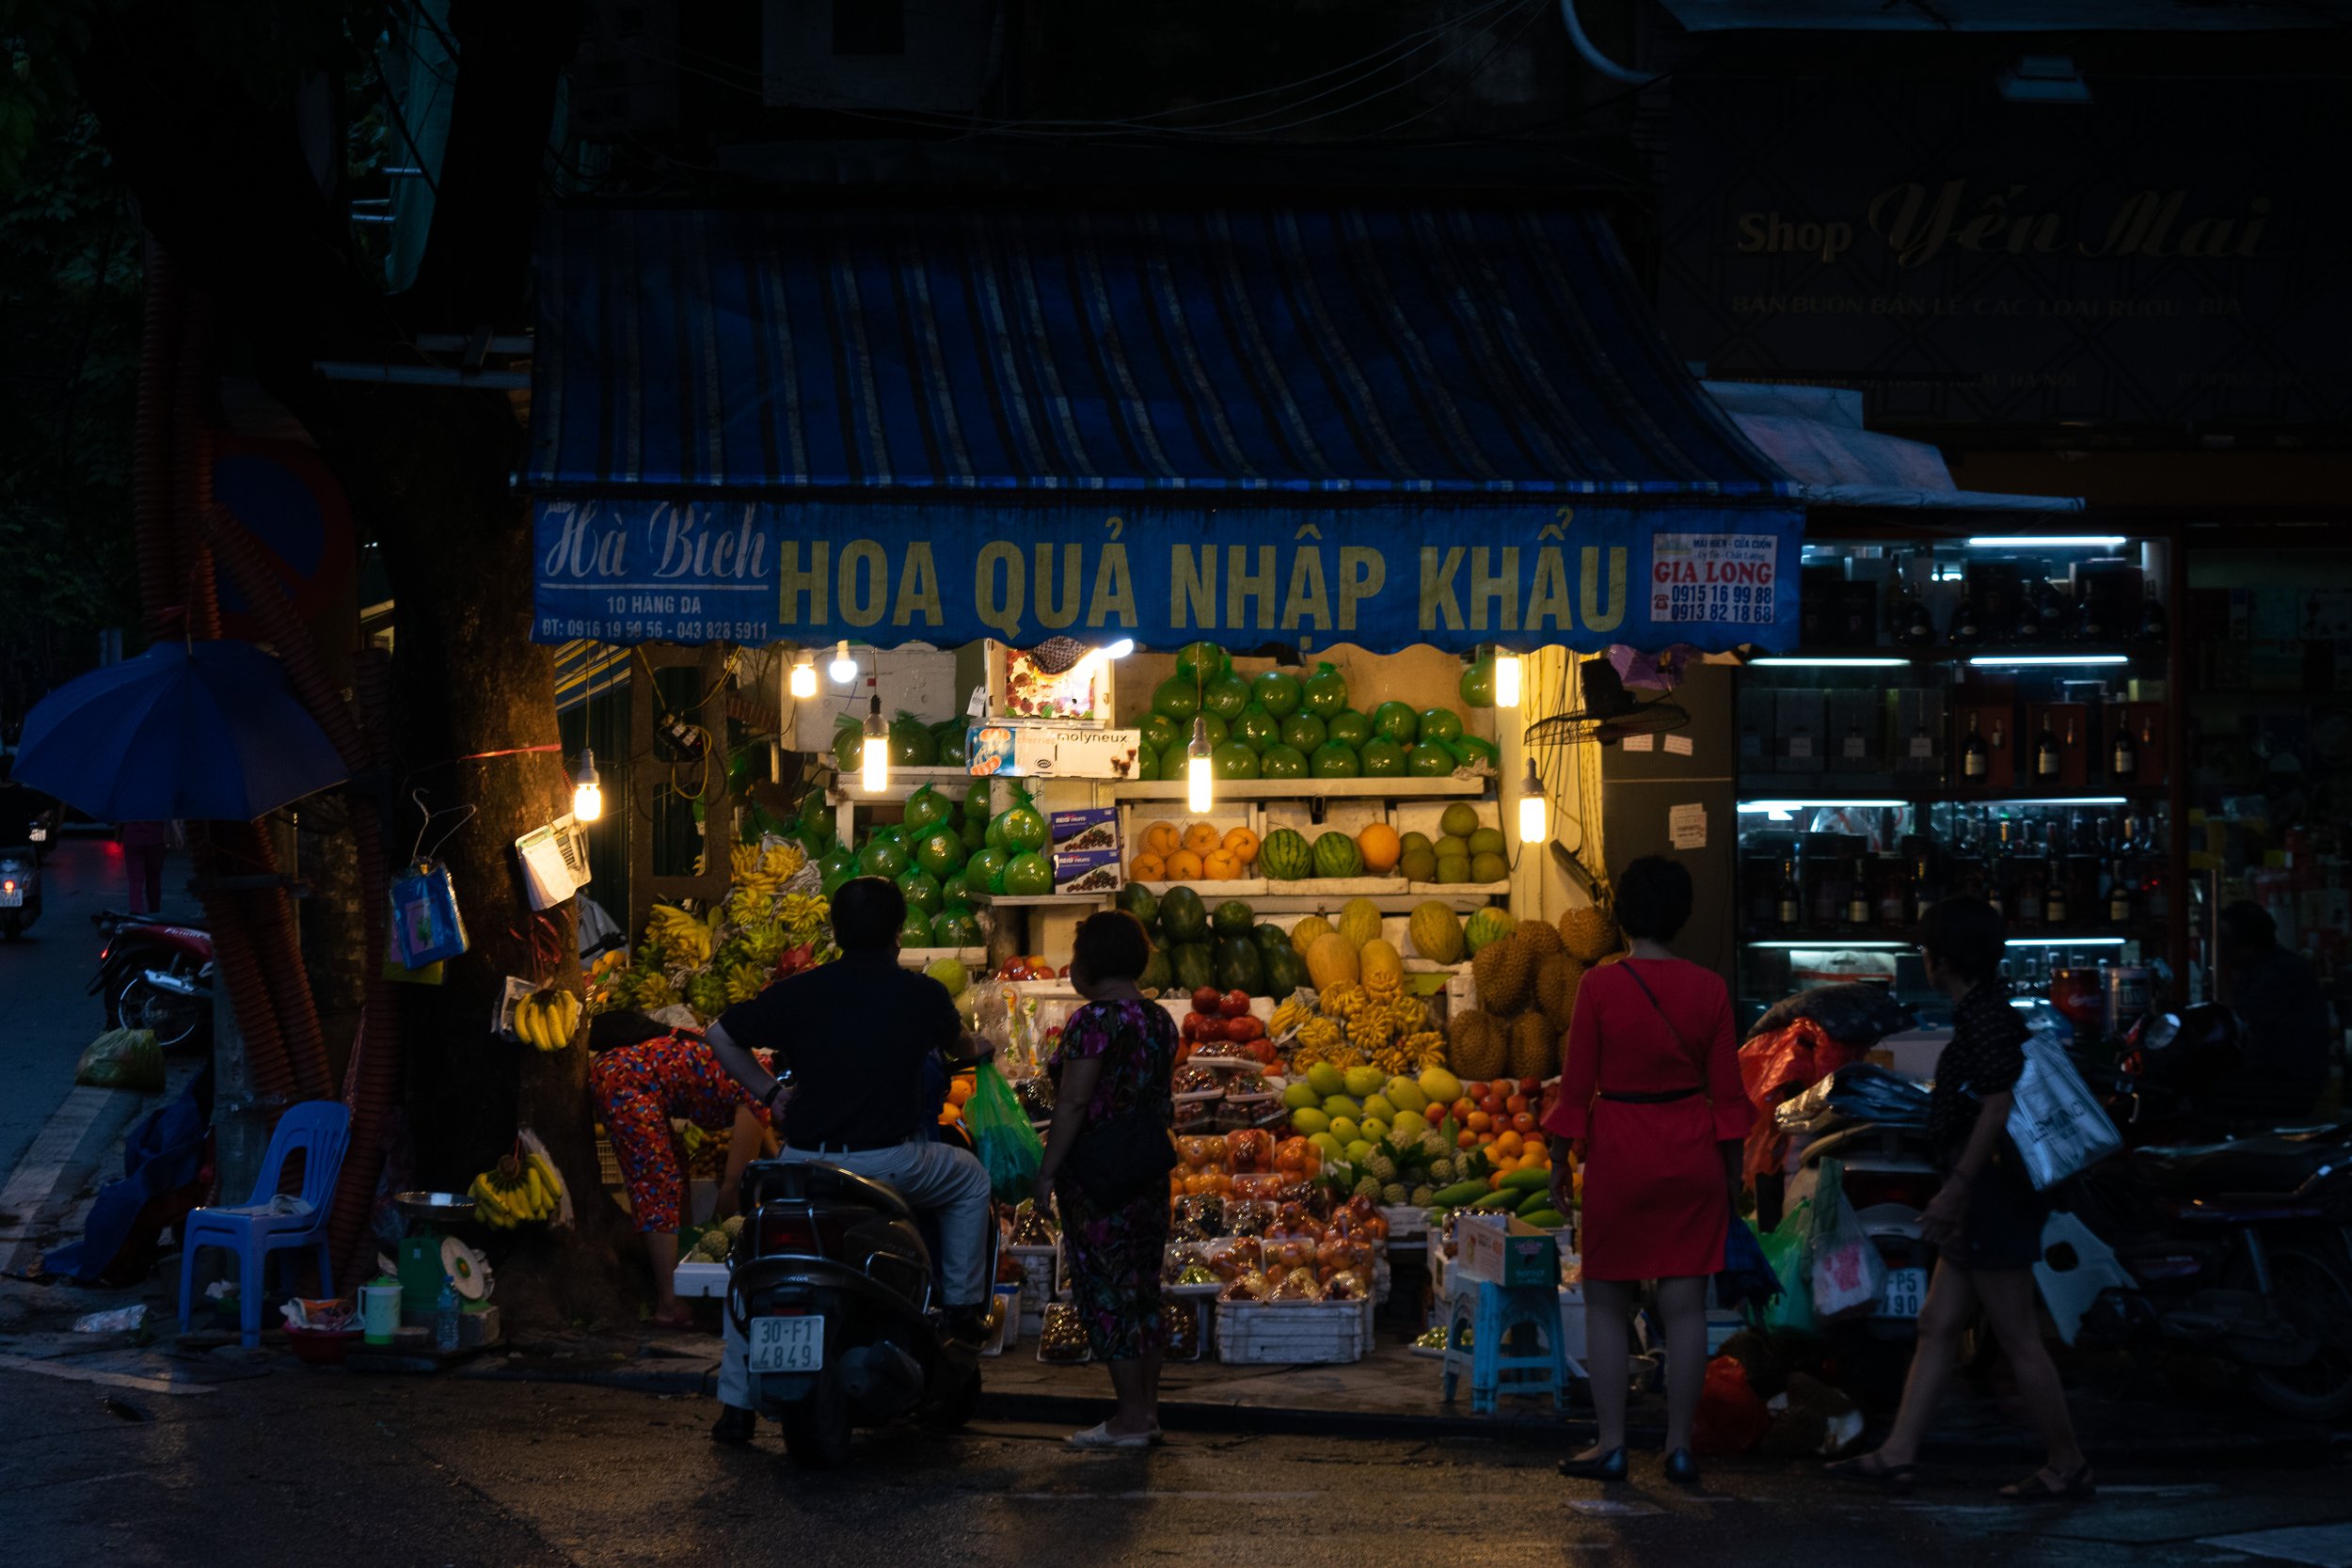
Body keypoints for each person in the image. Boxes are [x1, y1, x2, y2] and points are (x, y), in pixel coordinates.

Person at [702, 877, 995, 1446]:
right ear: (899, 932)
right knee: (970, 1182)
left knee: (753, 1261)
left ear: (836, 932)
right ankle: (960, 1309)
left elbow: (719, 1034)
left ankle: (735, 1406)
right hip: (886, 1163)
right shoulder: (921, 994)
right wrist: (982, 1048)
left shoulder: (800, 992)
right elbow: (962, 1048)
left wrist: (769, 1094)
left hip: (803, 1164)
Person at [1832, 895, 2091, 1500]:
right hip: (1981, 1197)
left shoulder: (1986, 1018)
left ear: (1944, 959)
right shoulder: (1982, 1011)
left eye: (1926, 947)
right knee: (1937, 1322)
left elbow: (1997, 1105)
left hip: (1991, 1197)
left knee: (2019, 1335)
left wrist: (1958, 1189)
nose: (1922, 957)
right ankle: (1898, 1454)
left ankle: (2069, 1461)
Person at [1543, 857, 1751, 1486]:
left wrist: (1557, 1163)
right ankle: (1680, 1445)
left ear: (1621, 914)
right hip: (1690, 1152)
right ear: (1683, 915)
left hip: (1621, 1153)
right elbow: (1731, 1100)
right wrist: (1733, 1178)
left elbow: (1575, 1091)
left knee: (1607, 1303)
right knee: (1686, 1307)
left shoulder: (1598, 987)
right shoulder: (1710, 989)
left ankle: (1611, 1445)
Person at [1032, 910, 1179, 1449]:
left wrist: (1047, 1172)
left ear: (1088, 965)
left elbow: (1073, 1102)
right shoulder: (1159, 1019)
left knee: (1106, 1289)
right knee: (1142, 1287)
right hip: (1146, 1168)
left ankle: (1129, 1419)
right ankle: (1147, 1412)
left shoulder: (1094, 1021)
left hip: (1098, 1174)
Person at [588, 1015, 776, 1331]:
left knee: (675, 1171)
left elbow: (771, 1149)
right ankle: (669, 1302)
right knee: (657, 1183)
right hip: (625, 1081)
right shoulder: (760, 1087)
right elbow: (733, 1185)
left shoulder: (759, 1074)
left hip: (630, 1077)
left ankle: (680, 1276)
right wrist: (714, 1242)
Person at [2215, 900, 2330, 1122]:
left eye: (2226, 942)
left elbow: (2241, 1020)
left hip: (2285, 1082)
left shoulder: (2279, 973)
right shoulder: (2267, 967)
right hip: (2283, 1076)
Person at [120, 819, 173, 913]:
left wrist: (119, 834)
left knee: (135, 881)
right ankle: (154, 912)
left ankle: (137, 911)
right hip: (156, 838)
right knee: (153, 879)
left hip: (133, 838)